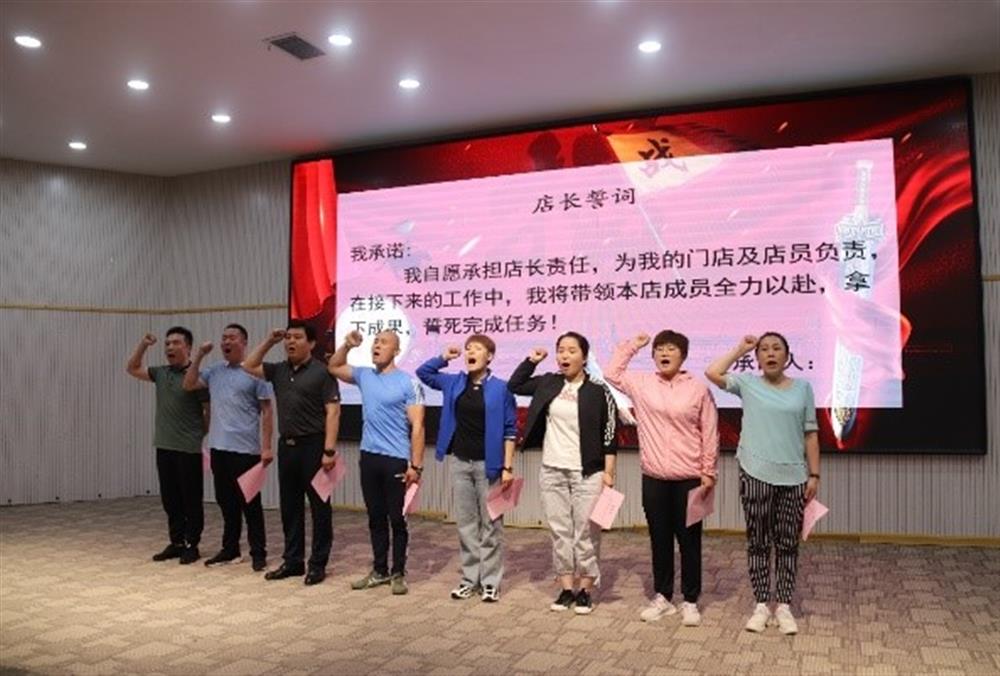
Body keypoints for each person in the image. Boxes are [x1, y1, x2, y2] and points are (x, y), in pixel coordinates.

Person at [705, 332, 820, 635]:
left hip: (794, 477)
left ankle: (783, 605)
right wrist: (740, 349)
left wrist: (814, 474)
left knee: (787, 543)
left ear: (787, 356)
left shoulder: (803, 388)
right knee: (758, 541)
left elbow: (810, 433)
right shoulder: (748, 384)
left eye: (776, 348)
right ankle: (760, 604)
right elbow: (712, 373)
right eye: (764, 349)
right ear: (757, 358)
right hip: (754, 471)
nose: (770, 353)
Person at [604, 330, 719, 626]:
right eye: (659, 349)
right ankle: (663, 597)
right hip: (654, 477)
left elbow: (709, 431)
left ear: (683, 355)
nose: (664, 353)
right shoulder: (642, 384)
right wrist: (633, 345)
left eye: (671, 349)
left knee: (689, 541)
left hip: (690, 478)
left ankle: (690, 600)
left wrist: (709, 471)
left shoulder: (697, 388)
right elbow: (611, 373)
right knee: (660, 539)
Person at [508, 331, 617, 615]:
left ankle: (586, 590)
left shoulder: (598, 390)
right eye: (561, 350)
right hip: (552, 469)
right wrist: (531, 361)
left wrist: (608, 473)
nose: (564, 356)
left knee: (586, 533)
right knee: (560, 531)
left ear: (584, 356)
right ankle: (567, 588)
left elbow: (610, 433)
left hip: (587, 472)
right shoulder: (549, 382)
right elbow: (515, 385)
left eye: (571, 350)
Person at [416, 334, 517, 603]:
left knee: (491, 525)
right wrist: (443, 357)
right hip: (461, 462)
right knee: (466, 524)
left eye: (477, 348)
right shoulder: (454, 382)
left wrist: (507, 467)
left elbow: (510, 430)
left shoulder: (501, 388)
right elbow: (423, 373)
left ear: (489, 356)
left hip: (490, 466)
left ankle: (490, 582)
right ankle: (470, 579)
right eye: (468, 348)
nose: (470, 352)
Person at [328, 329, 426, 596]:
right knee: (375, 517)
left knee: (397, 519)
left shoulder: (408, 383)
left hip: (396, 459)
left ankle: (398, 572)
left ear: (396, 350)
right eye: (375, 342)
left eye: (383, 342)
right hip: (369, 457)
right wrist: (347, 345)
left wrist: (416, 466)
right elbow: (334, 366)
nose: (377, 346)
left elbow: (418, 426)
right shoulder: (364, 375)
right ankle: (379, 570)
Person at [242, 320, 340, 586]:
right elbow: (249, 365)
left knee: (319, 508)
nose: (291, 342)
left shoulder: (322, 372)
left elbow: (333, 412)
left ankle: (317, 564)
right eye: (288, 338)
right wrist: (269, 341)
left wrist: (329, 450)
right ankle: (293, 561)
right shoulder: (278, 370)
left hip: (314, 446)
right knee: (290, 507)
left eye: (297, 337)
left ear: (311, 343)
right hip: (287, 446)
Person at [182, 323, 274, 571]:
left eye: (232, 338)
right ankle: (230, 549)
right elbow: (188, 385)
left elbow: (267, 411)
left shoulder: (256, 372)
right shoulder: (214, 371)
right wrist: (199, 355)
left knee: (251, 504)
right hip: (218, 449)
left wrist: (266, 447)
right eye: (224, 338)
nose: (226, 342)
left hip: (247, 451)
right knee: (226, 503)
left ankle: (258, 552)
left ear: (244, 343)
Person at [126, 327, 209, 565]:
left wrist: (198, 435)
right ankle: (176, 542)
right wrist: (144, 345)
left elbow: (208, 412)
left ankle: (192, 544)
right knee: (170, 498)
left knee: (191, 498)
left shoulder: (197, 377)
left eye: (176, 343)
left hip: (188, 448)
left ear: (188, 347)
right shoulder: (161, 373)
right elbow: (132, 368)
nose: (170, 347)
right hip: (164, 445)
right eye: (167, 344)